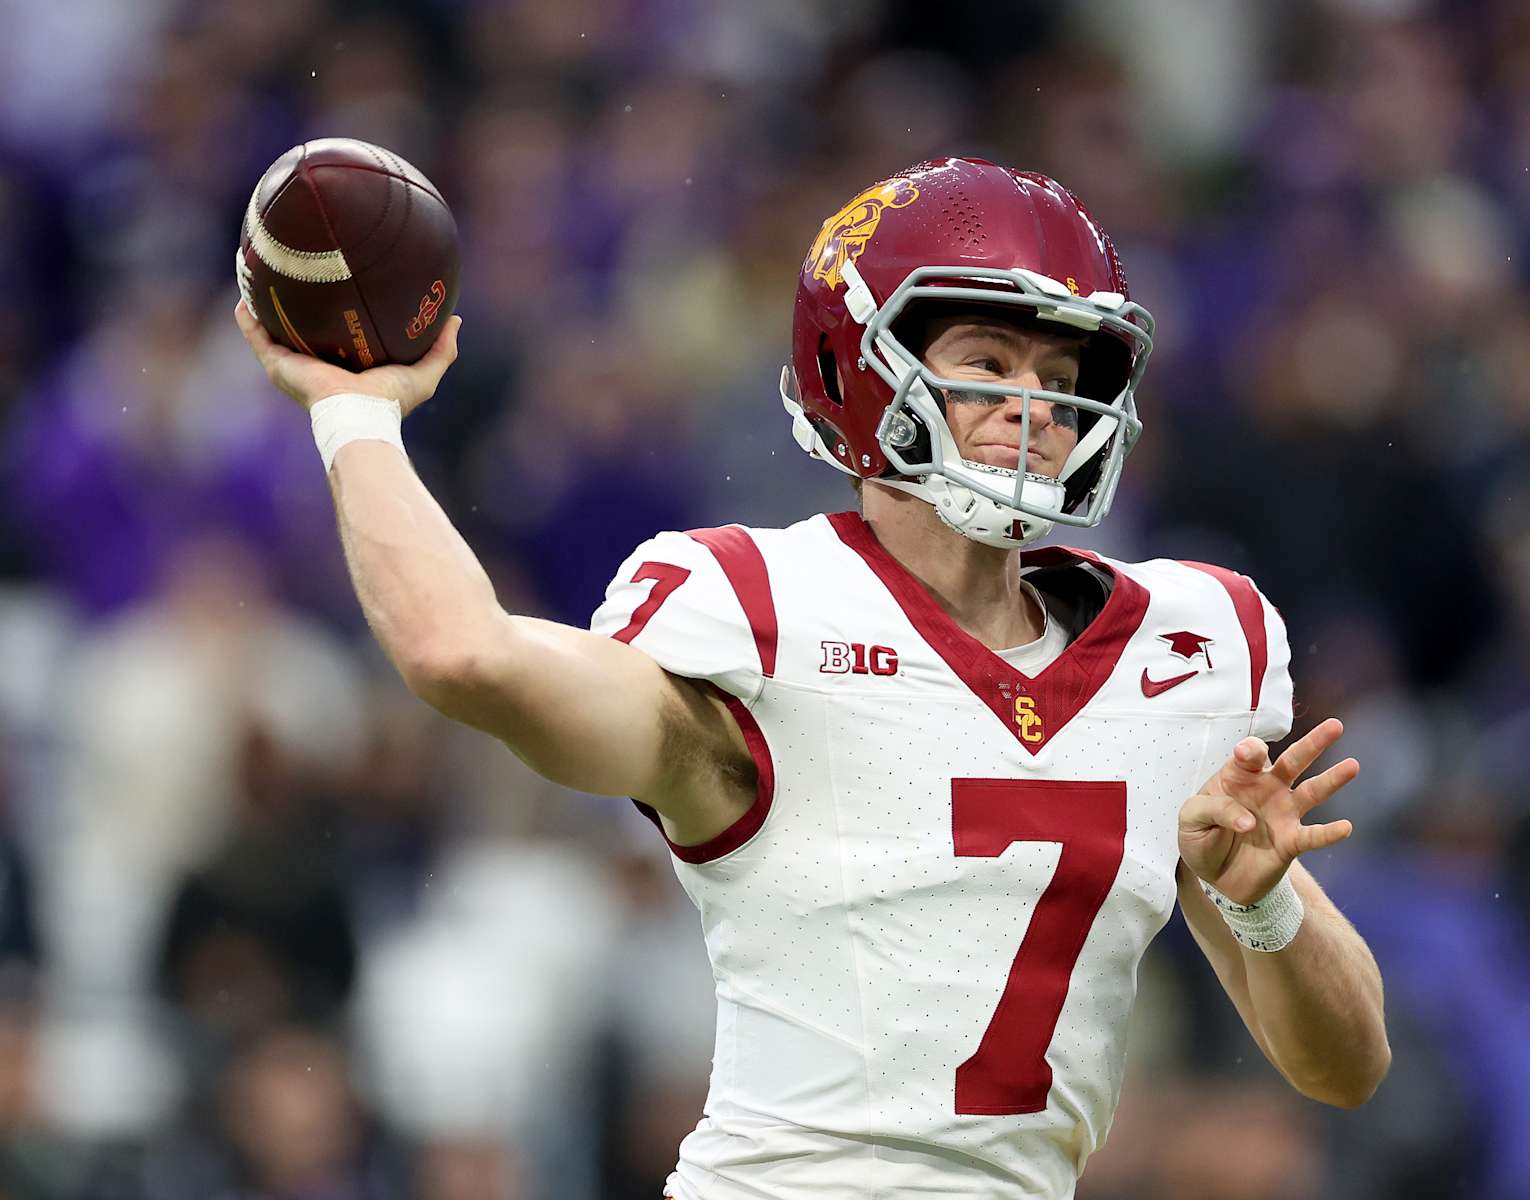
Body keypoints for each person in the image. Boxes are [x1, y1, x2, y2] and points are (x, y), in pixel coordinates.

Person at [235, 156, 1390, 1200]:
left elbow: (1344, 1068)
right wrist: (355, 417)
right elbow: (461, 654)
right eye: (988, 362)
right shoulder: (758, 613)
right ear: (860, 373)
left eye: (1060, 368)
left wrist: (1261, 902)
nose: (1034, 411)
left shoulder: (1183, 647)